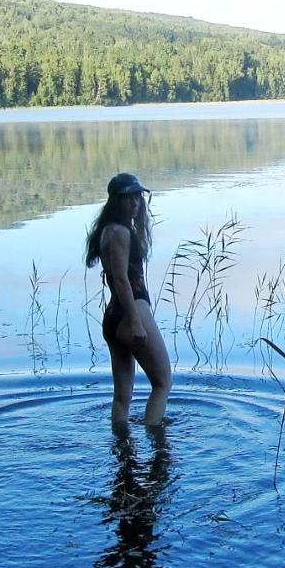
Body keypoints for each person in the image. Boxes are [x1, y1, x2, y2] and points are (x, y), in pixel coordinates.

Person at [85, 172, 172, 428]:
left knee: (122, 398)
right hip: (130, 311)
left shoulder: (107, 231)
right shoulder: (120, 232)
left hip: (113, 316)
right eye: (128, 198)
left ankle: (122, 449)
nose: (135, 203)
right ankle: (157, 443)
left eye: (137, 197)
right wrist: (135, 322)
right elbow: (122, 280)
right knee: (162, 382)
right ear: (115, 201)